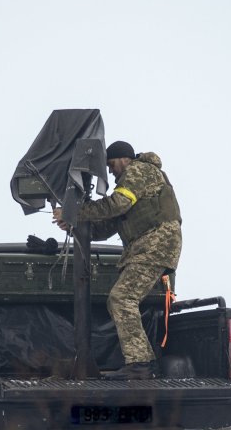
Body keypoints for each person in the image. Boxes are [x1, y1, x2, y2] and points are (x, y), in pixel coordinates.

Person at [54, 140, 182, 379]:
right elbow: (105, 228)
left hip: (155, 244)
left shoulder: (140, 170)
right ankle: (141, 363)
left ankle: (140, 365)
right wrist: (73, 224)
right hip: (149, 247)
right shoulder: (135, 183)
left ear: (124, 159)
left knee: (122, 298)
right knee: (122, 298)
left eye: (111, 165)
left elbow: (118, 203)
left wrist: (74, 211)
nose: (110, 172)